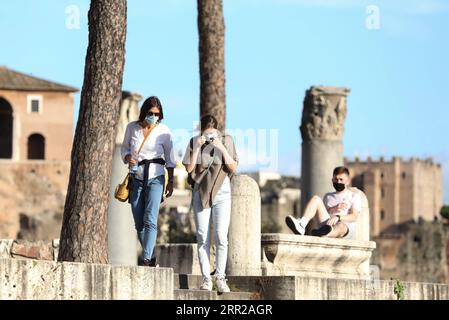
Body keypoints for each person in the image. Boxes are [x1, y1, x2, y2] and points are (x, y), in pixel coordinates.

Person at [182, 115, 238, 293]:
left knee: (221, 236)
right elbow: (190, 169)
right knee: (202, 235)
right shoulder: (194, 142)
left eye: (212, 134)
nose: (209, 137)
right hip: (201, 191)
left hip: (223, 191)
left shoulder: (226, 140)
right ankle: (207, 279)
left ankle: (220, 277)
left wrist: (220, 147)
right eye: (207, 134)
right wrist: (198, 146)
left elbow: (233, 167)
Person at [121, 96, 175, 266]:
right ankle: (151, 257)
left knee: (150, 219)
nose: (153, 116)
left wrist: (171, 181)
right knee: (139, 223)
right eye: (151, 113)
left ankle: (145, 259)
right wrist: (128, 156)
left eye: (157, 114)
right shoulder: (132, 128)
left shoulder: (164, 131)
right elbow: (124, 149)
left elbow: (170, 158)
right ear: (144, 112)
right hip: (136, 177)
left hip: (156, 177)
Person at [286, 166, 361, 238]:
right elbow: (322, 213)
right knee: (316, 199)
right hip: (327, 224)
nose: (338, 182)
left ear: (348, 181)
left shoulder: (353, 196)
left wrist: (338, 217)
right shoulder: (328, 196)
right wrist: (333, 209)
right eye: (336, 179)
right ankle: (302, 225)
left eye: (341, 179)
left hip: (344, 227)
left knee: (340, 226)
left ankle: (326, 233)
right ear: (332, 180)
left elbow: (354, 217)